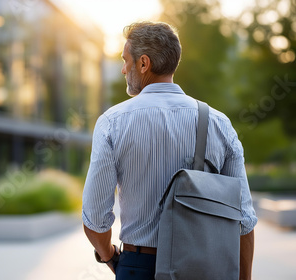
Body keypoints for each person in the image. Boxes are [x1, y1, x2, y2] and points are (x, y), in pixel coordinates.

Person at [82, 21, 258, 280]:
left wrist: (110, 257)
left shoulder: (112, 122)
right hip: (205, 266)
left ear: (144, 64)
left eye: (125, 60)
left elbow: (95, 219)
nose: (123, 69)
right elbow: (243, 220)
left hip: (138, 266)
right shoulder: (219, 124)